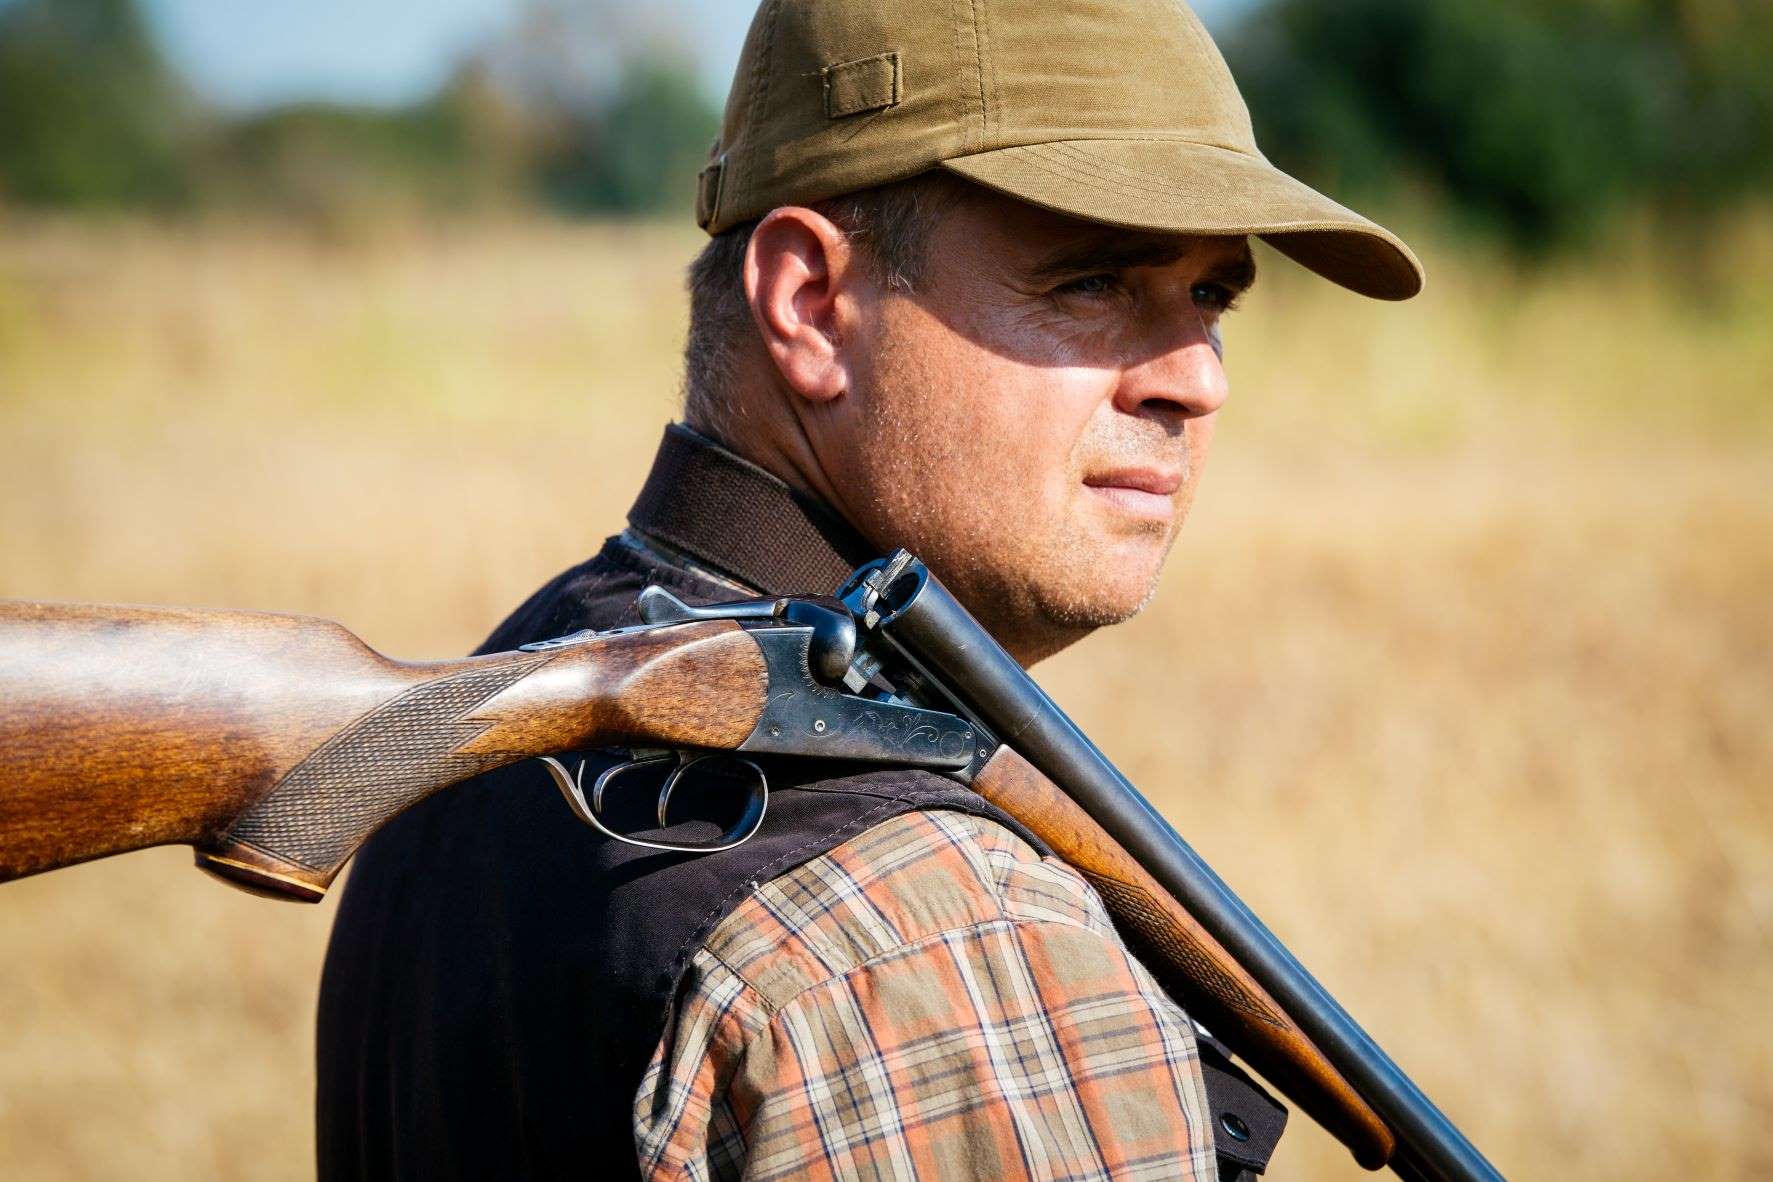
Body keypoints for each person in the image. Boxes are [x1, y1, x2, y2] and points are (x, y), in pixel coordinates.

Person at [316, 1, 1422, 1179]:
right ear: (809, 305)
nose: (1197, 378)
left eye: (1212, 296)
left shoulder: (484, 705)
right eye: (1093, 281)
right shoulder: (935, 947)